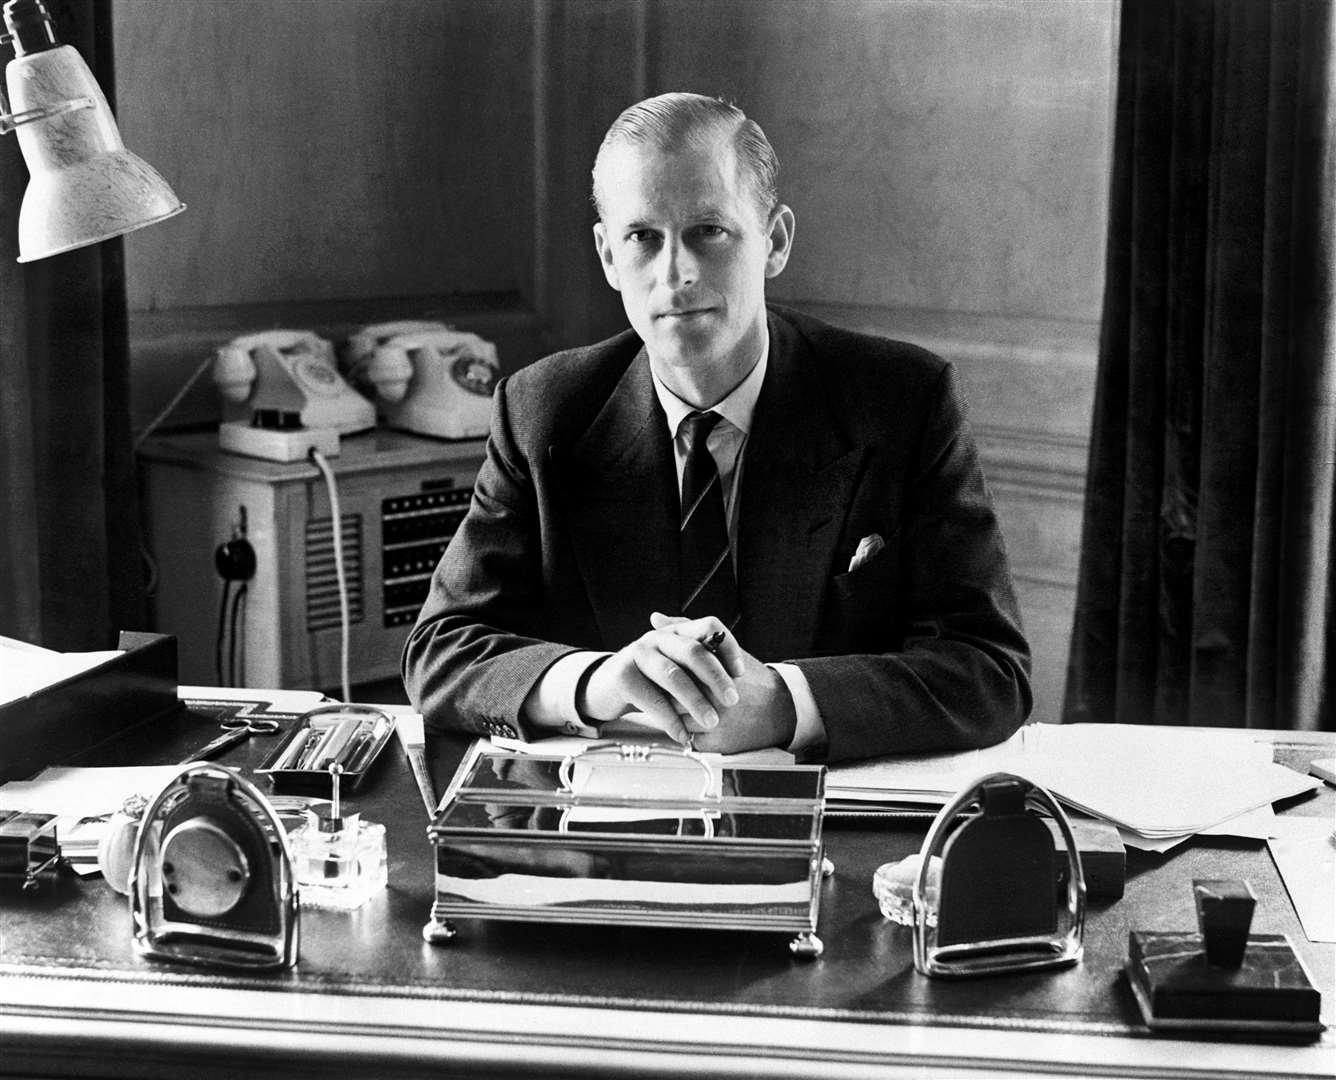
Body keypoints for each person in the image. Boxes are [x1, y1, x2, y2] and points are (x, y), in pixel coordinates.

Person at [402, 92, 1030, 763]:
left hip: (839, 830)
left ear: (775, 240)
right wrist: (594, 681)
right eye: (643, 237)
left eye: (710, 230)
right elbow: (442, 650)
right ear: (609, 257)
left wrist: (786, 702)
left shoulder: (903, 400)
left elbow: (990, 669)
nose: (677, 273)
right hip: (611, 834)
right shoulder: (541, 412)